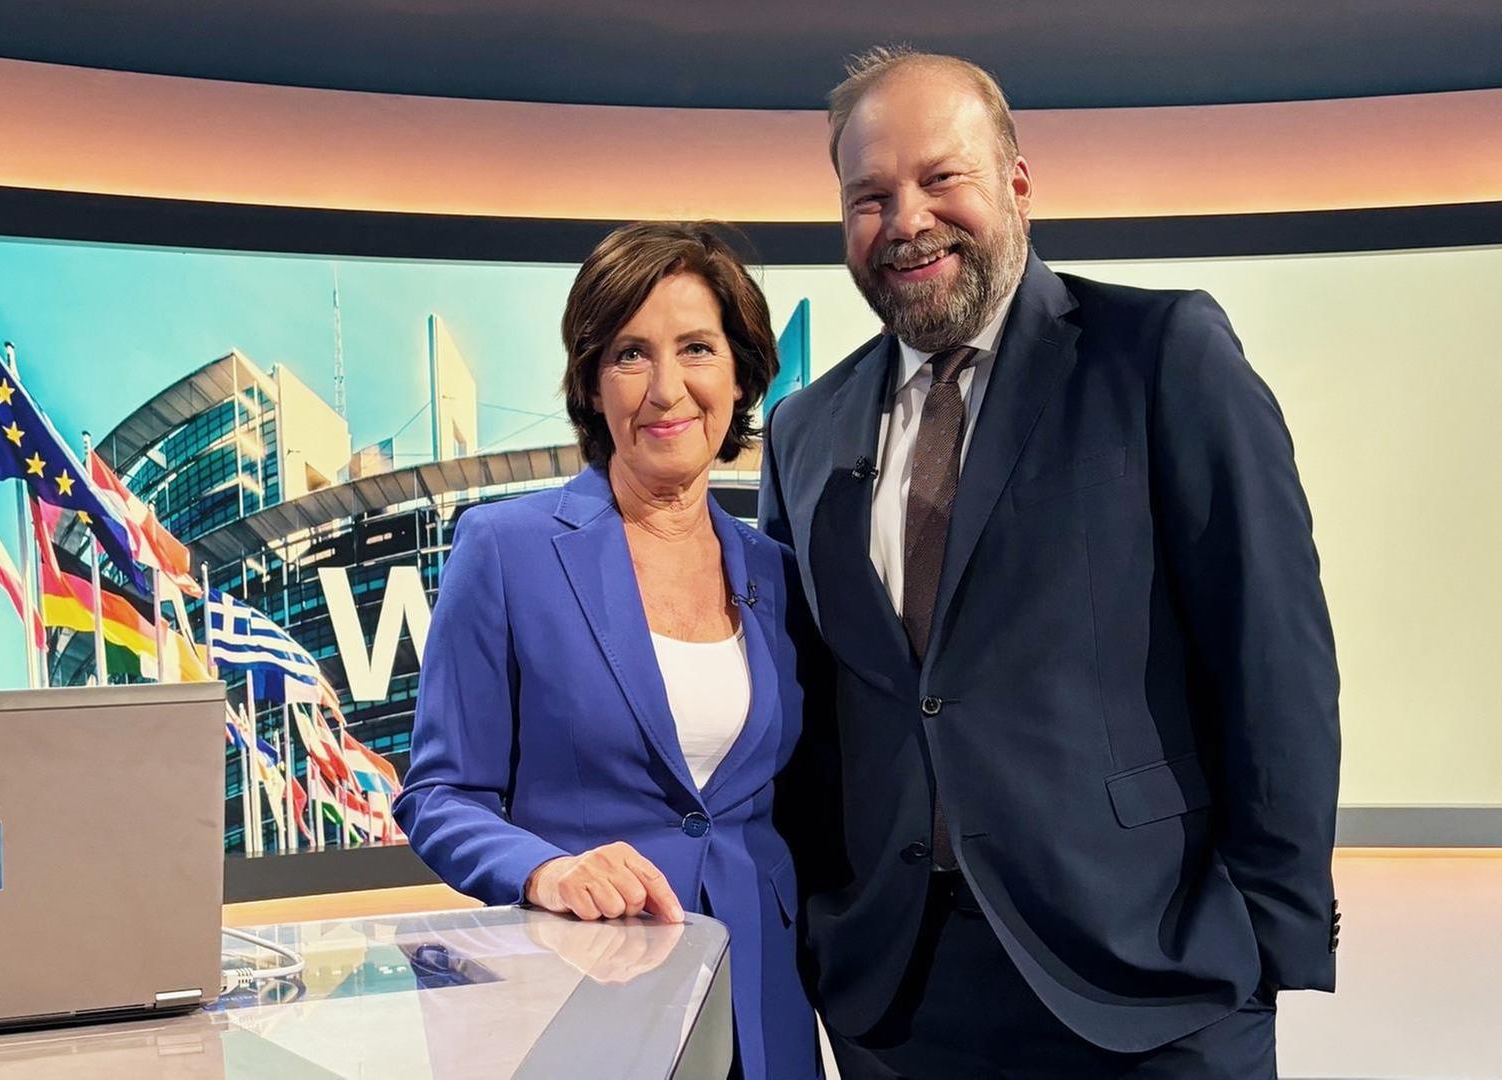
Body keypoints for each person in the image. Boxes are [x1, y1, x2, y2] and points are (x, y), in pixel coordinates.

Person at [759, 46, 1342, 1077]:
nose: (906, 221)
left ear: (1018, 184)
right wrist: (823, 929)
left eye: (941, 177)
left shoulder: (1160, 352)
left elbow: (1274, 657)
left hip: (1148, 982)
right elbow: (809, 711)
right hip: (898, 996)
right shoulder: (805, 429)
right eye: (869, 197)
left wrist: (1261, 942)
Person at [397, 221, 821, 1079]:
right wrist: (546, 871)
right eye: (631, 354)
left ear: (740, 376)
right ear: (592, 384)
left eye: (696, 349)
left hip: (764, 1005)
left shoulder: (780, 572)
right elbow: (438, 796)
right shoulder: (506, 549)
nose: (667, 389)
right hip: (586, 1002)